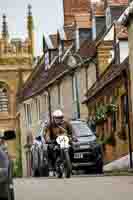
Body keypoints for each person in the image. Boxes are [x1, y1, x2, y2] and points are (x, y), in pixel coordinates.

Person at [44, 109, 72, 174]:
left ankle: (70, 162)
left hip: (65, 141)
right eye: (56, 118)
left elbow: (71, 132)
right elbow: (47, 133)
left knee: (72, 147)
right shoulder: (50, 125)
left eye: (60, 118)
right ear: (54, 118)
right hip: (54, 141)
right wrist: (48, 139)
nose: (58, 119)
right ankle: (51, 166)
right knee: (50, 149)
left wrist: (73, 137)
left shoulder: (67, 123)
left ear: (62, 118)